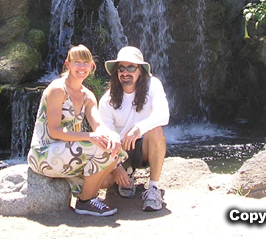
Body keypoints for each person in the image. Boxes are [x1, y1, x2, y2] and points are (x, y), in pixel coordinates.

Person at [27, 44, 124, 217]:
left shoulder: (88, 95)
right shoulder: (57, 89)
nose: (81, 67)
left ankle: (87, 196)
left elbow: (98, 126)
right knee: (102, 149)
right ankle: (85, 202)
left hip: (68, 153)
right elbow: (55, 131)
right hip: (44, 153)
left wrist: (112, 136)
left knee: (110, 168)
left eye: (85, 62)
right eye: (77, 62)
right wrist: (90, 137)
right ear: (68, 64)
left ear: (92, 66)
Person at [99, 46, 170, 212]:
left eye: (131, 67)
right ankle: (126, 173)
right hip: (119, 151)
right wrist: (116, 167)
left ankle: (153, 188)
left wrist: (139, 128)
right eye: (121, 68)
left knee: (156, 130)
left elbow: (164, 115)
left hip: (144, 147)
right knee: (102, 182)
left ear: (141, 71)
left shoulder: (153, 85)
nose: (125, 72)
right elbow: (104, 134)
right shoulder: (106, 100)